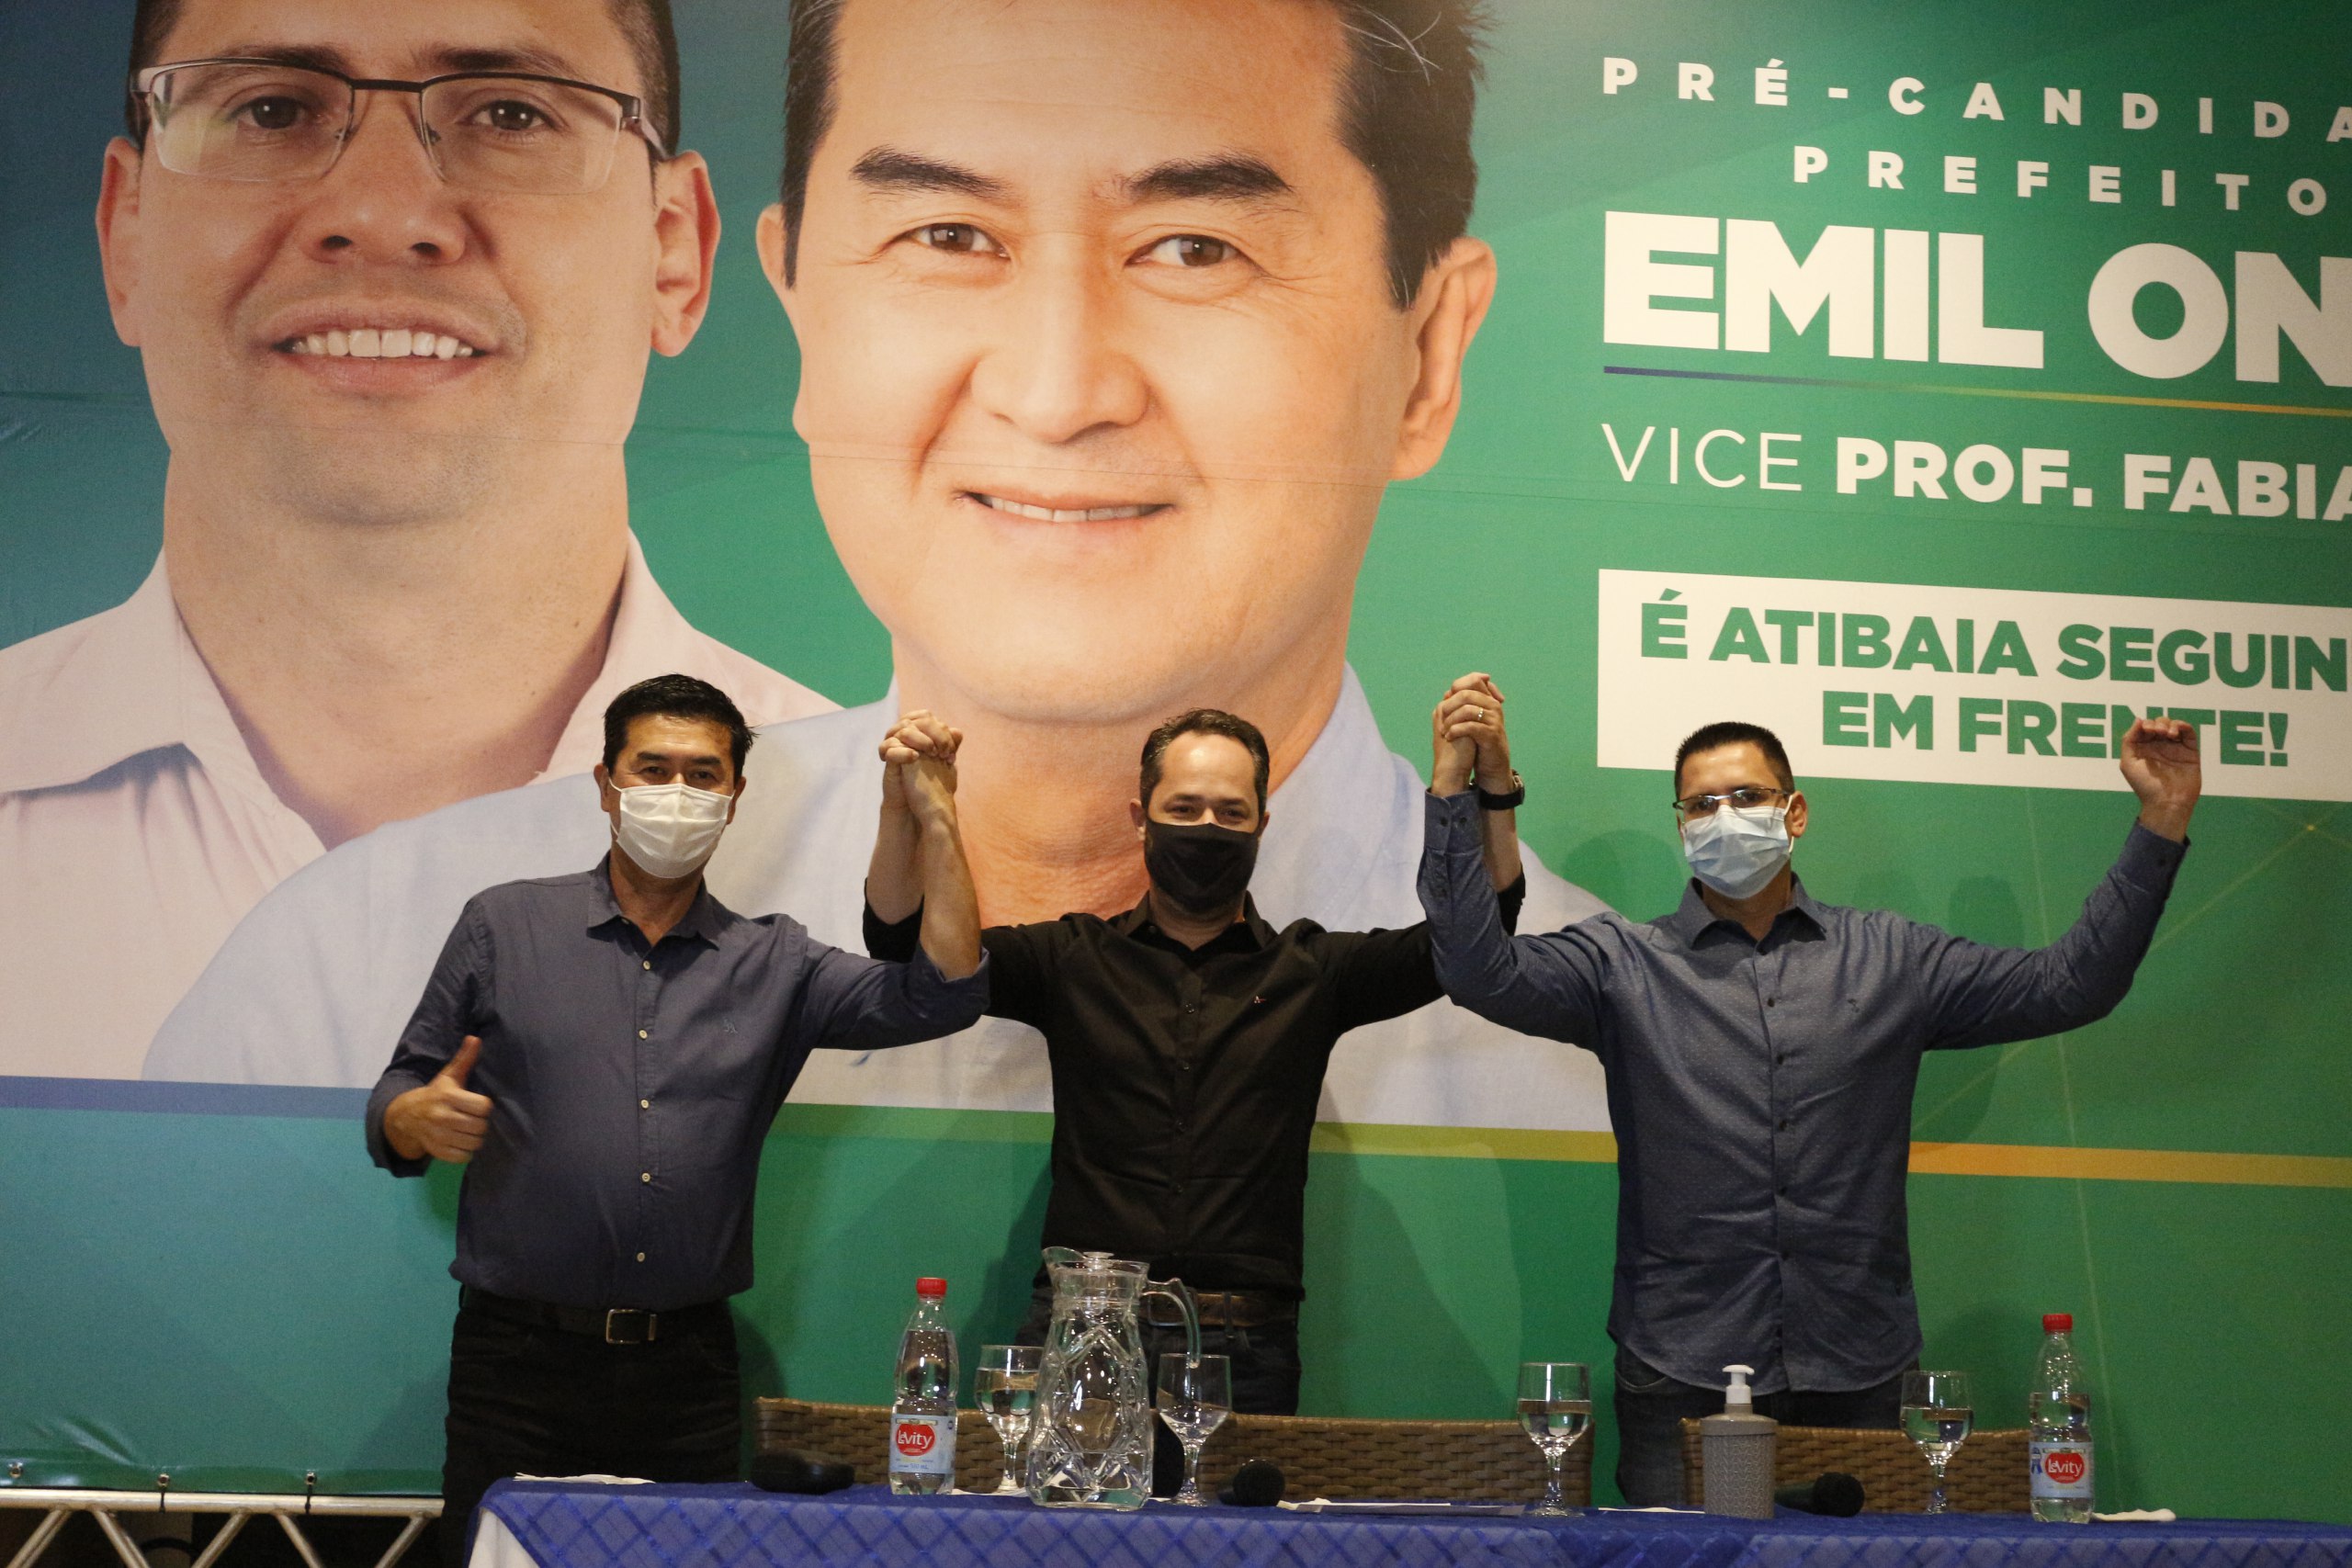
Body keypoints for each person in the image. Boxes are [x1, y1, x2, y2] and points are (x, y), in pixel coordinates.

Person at [147, 0, 1612, 1140]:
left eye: (1193, 248)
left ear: (1429, 355)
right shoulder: (360, 973)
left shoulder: (1591, 1057)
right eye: (948, 234)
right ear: (796, 302)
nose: (1055, 391)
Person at [0, 0, 830, 1080]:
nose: (382, 212)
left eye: (512, 113)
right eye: (270, 109)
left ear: (672, 253)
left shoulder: (903, 865)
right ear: (127, 237)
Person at [1417, 710, 2201, 1506]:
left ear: (1794, 813)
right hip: (1681, 1363)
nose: (1724, 816)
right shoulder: (1623, 963)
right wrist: (1455, 787)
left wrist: (2162, 818)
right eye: (1701, 804)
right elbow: (1479, 973)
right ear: (1682, 828)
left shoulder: (1894, 958)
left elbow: (2070, 985)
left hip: (1862, 1365)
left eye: (1746, 795)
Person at [367, 674, 985, 1566]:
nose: (677, 793)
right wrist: (412, 1117)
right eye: (652, 769)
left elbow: (943, 995)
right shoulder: (504, 924)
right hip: (517, 1364)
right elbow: (398, 1093)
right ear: (605, 783)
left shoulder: (777, 962)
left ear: (734, 798)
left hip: (685, 1374)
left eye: (703, 774)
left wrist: (934, 815)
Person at [863, 685, 1523, 1479]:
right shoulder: (1071, 959)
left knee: (1236, 1541)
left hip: (1244, 1346)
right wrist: (912, 808)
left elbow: (1472, 941)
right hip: (1084, 1328)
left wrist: (1480, 787)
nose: (1207, 827)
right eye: (1183, 807)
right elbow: (908, 945)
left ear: (1262, 824)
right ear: (1139, 817)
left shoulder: (1313, 971)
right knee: (1062, 1536)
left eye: (1230, 812)